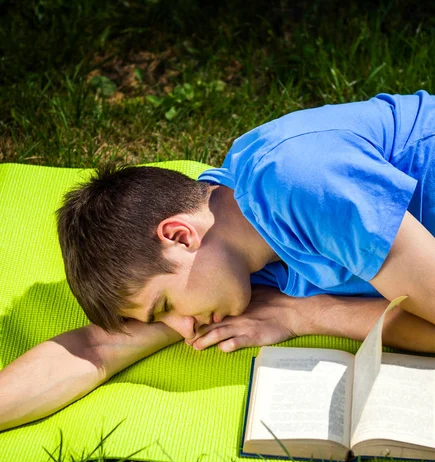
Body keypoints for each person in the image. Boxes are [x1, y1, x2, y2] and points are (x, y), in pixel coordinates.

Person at [2, 89, 435, 432]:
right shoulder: (229, 249)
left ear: (178, 235)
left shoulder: (304, 183)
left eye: (165, 307)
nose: (186, 332)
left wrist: (308, 313)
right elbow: (96, 349)